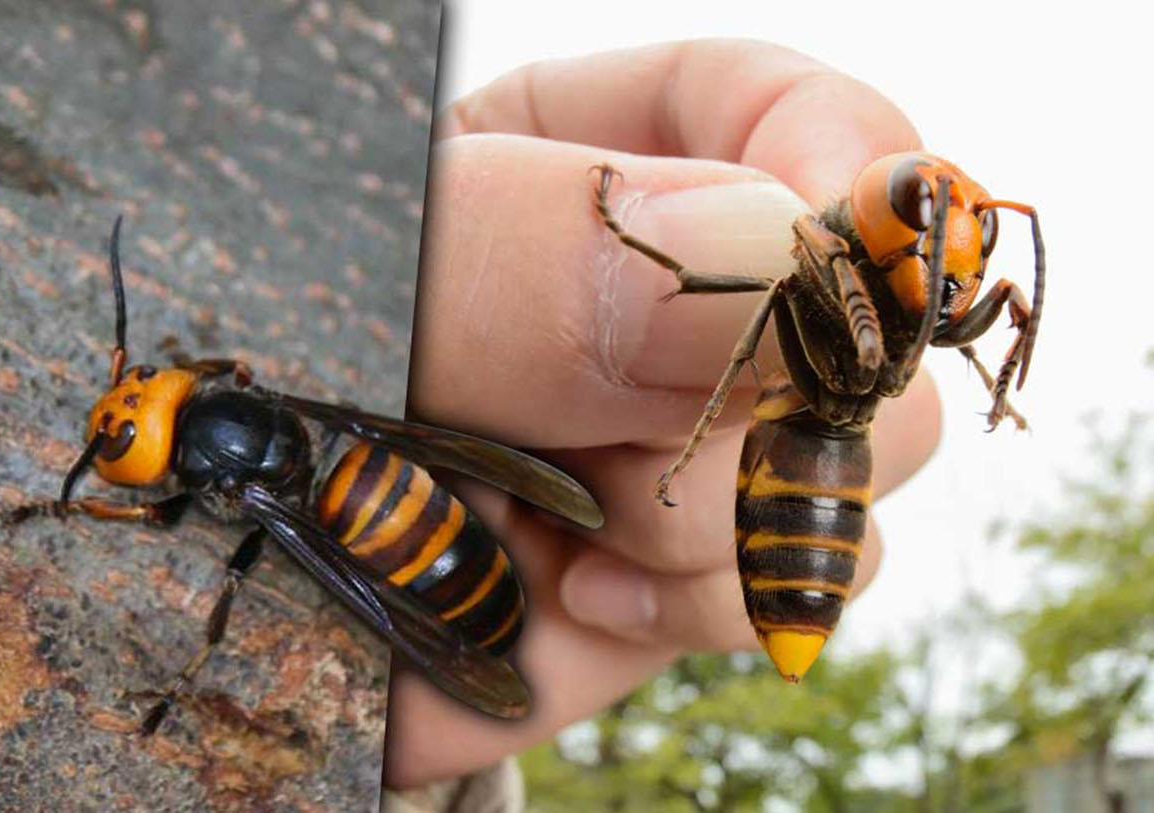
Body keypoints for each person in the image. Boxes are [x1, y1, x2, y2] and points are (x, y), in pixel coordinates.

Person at [383, 39, 942, 807]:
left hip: (816, 463)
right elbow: (722, 287)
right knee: (749, 303)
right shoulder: (817, 248)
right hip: (805, 461)